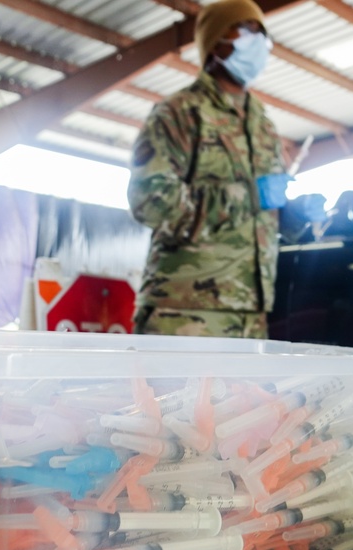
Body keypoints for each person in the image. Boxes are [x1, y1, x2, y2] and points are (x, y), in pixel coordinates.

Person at [127, 0, 290, 339]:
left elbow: (263, 213)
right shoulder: (179, 113)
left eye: (263, 33)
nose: (258, 42)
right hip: (186, 310)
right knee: (173, 396)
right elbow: (150, 202)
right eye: (246, 31)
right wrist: (251, 196)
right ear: (216, 42)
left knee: (245, 396)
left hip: (252, 311)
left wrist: (294, 214)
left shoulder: (264, 125)